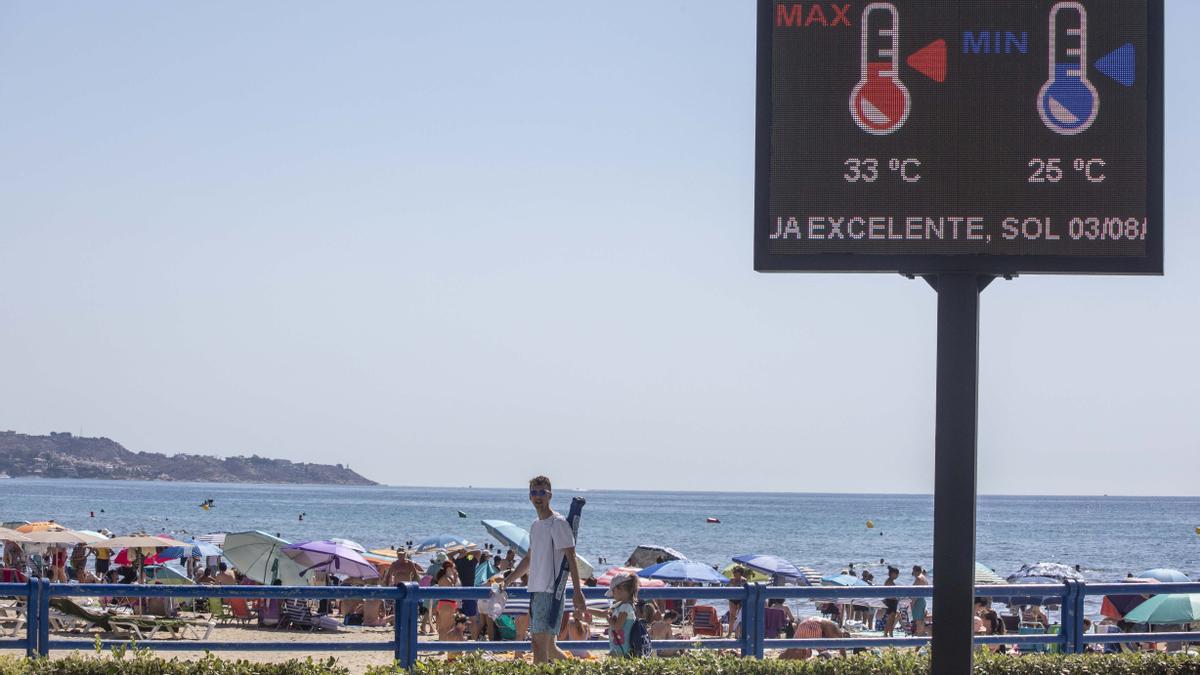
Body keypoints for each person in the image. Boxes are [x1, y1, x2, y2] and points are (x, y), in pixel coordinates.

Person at [502, 475, 586, 664]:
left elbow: (571, 557)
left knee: (538, 645)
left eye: (542, 492)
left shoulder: (558, 523)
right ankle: (575, 669)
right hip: (536, 590)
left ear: (550, 495)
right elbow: (529, 559)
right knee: (548, 646)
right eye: (534, 492)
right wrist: (507, 581)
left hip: (551, 591)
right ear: (529, 496)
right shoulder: (535, 525)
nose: (538, 496)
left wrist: (578, 592)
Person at [781, 617, 850, 660]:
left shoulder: (830, 623)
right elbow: (842, 647)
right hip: (814, 625)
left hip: (803, 623)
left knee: (793, 648)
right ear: (845, 634)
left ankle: (780, 659)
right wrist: (844, 660)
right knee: (824, 653)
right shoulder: (838, 632)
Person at [606, 573, 640, 657]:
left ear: (621, 589)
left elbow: (617, 627)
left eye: (613, 591)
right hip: (621, 648)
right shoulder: (622, 606)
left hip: (622, 649)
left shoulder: (625, 607)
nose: (613, 595)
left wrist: (608, 618)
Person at [726, 566, 747, 638]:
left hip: (741, 600)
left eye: (736, 572)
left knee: (739, 617)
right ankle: (729, 633)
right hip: (732, 599)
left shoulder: (744, 581)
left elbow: (747, 591)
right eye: (734, 572)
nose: (734, 574)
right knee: (732, 616)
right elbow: (726, 589)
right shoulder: (731, 580)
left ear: (740, 573)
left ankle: (737, 634)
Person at [911, 565, 929, 636]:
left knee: (918, 622)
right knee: (921, 621)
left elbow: (916, 593)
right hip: (922, 600)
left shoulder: (919, 578)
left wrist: (912, 603)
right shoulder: (924, 578)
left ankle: (920, 637)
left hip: (918, 601)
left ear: (915, 571)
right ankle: (922, 637)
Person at [882, 566, 900, 636]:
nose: (897, 576)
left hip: (892, 601)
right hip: (890, 602)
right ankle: (888, 633)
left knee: (891, 619)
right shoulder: (889, 581)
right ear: (892, 574)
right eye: (896, 574)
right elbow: (890, 594)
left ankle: (887, 633)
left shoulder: (890, 581)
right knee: (890, 619)